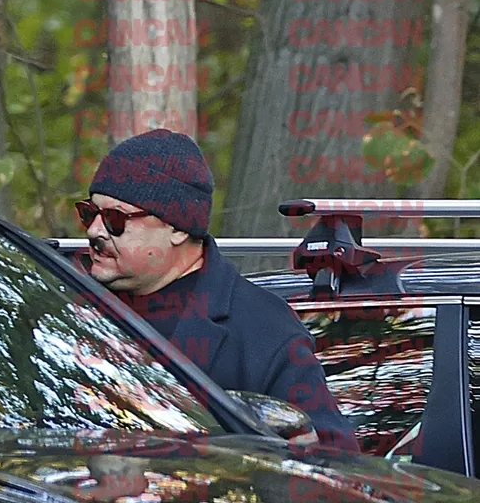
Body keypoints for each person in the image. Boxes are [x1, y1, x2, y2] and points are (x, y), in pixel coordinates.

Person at [77, 128, 359, 452]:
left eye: (114, 219)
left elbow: (333, 463)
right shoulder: (65, 301)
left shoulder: (265, 331)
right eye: (89, 213)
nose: (94, 230)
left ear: (177, 228)